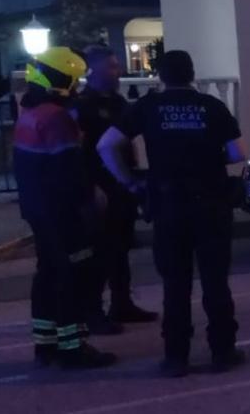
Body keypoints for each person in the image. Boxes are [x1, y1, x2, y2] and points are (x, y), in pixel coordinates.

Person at [98, 50, 246, 378]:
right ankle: (223, 351)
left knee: (175, 285)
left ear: (161, 76)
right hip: (210, 205)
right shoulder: (212, 107)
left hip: (168, 206)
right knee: (215, 282)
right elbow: (237, 153)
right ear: (192, 73)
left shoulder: (147, 107)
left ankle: (176, 357)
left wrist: (129, 182)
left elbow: (106, 146)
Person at [13, 47, 117, 369]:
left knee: (47, 274)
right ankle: (74, 347)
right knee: (75, 276)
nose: (76, 87)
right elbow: (68, 171)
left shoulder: (29, 113)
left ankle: (45, 345)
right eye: (73, 80)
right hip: (64, 214)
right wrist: (89, 204)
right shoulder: (57, 119)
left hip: (38, 210)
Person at [74, 45, 157, 334]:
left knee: (121, 247)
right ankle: (93, 312)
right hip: (99, 188)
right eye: (111, 66)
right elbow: (78, 153)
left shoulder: (120, 103)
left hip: (122, 184)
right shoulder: (83, 106)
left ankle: (122, 304)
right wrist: (90, 187)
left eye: (117, 66)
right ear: (92, 70)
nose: (117, 71)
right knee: (99, 252)